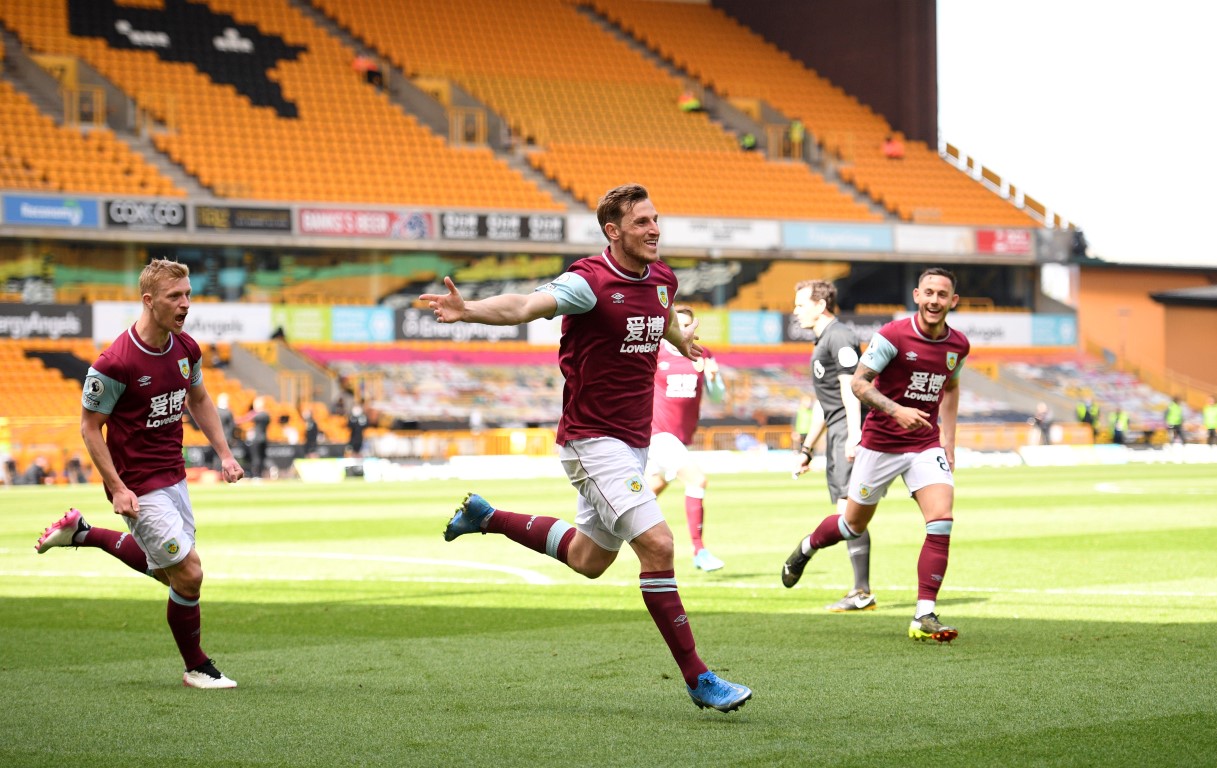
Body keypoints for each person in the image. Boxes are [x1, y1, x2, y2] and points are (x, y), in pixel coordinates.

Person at [421, 183, 751, 713]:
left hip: (633, 442)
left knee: (588, 559)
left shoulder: (664, 279)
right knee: (660, 546)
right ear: (613, 232)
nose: (655, 229)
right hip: (592, 441)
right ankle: (699, 678)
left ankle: (486, 517)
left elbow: (660, 317)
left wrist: (681, 342)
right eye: (642, 222)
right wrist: (471, 310)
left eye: (656, 219)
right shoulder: (588, 282)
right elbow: (526, 305)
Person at [35, 258, 243, 688]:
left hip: (175, 475)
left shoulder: (187, 349)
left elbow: (200, 399)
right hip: (138, 484)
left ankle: (82, 532)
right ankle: (196, 666)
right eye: (175, 297)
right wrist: (117, 488)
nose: (186, 304)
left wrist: (224, 453)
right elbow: (89, 427)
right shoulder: (115, 363)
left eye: (188, 294)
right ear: (149, 301)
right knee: (189, 573)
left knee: (168, 570)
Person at [781, 268, 969, 643]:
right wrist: (896, 411)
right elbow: (858, 383)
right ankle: (806, 548)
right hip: (880, 443)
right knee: (851, 526)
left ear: (953, 301)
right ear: (917, 295)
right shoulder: (892, 336)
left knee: (942, 520)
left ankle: (924, 614)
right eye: (928, 292)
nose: (934, 300)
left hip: (925, 445)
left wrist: (948, 438)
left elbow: (951, 388)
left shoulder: (959, 345)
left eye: (942, 295)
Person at [783, 279, 872, 613]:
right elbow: (826, 401)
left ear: (821, 305)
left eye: (801, 303)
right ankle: (860, 590)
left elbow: (852, 389)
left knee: (851, 512)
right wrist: (807, 449)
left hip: (846, 434)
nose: (796, 310)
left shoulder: (840, 336)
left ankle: (856, 587)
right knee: (848, 512)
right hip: (835, 434)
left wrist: (854, 434)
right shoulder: (823, 341)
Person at [646, 305, 727, 572]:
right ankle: (699, 550)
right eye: (676, 324)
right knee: (697, 479)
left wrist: (714, 379)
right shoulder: (654, 352)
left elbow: (718, 398)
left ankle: (603, 532)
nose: (681, 329)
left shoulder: (702, 354)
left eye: (686, 324)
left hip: (679, 439)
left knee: (648, 491)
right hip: (658, 435)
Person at [238, 396, 271, 479]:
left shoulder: (258, 414)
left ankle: (256, 475)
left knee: (256, 458)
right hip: (264, 438)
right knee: (262, 457)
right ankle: (261, 474)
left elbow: (245, 419)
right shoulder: (267, 414)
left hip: (256, 439)